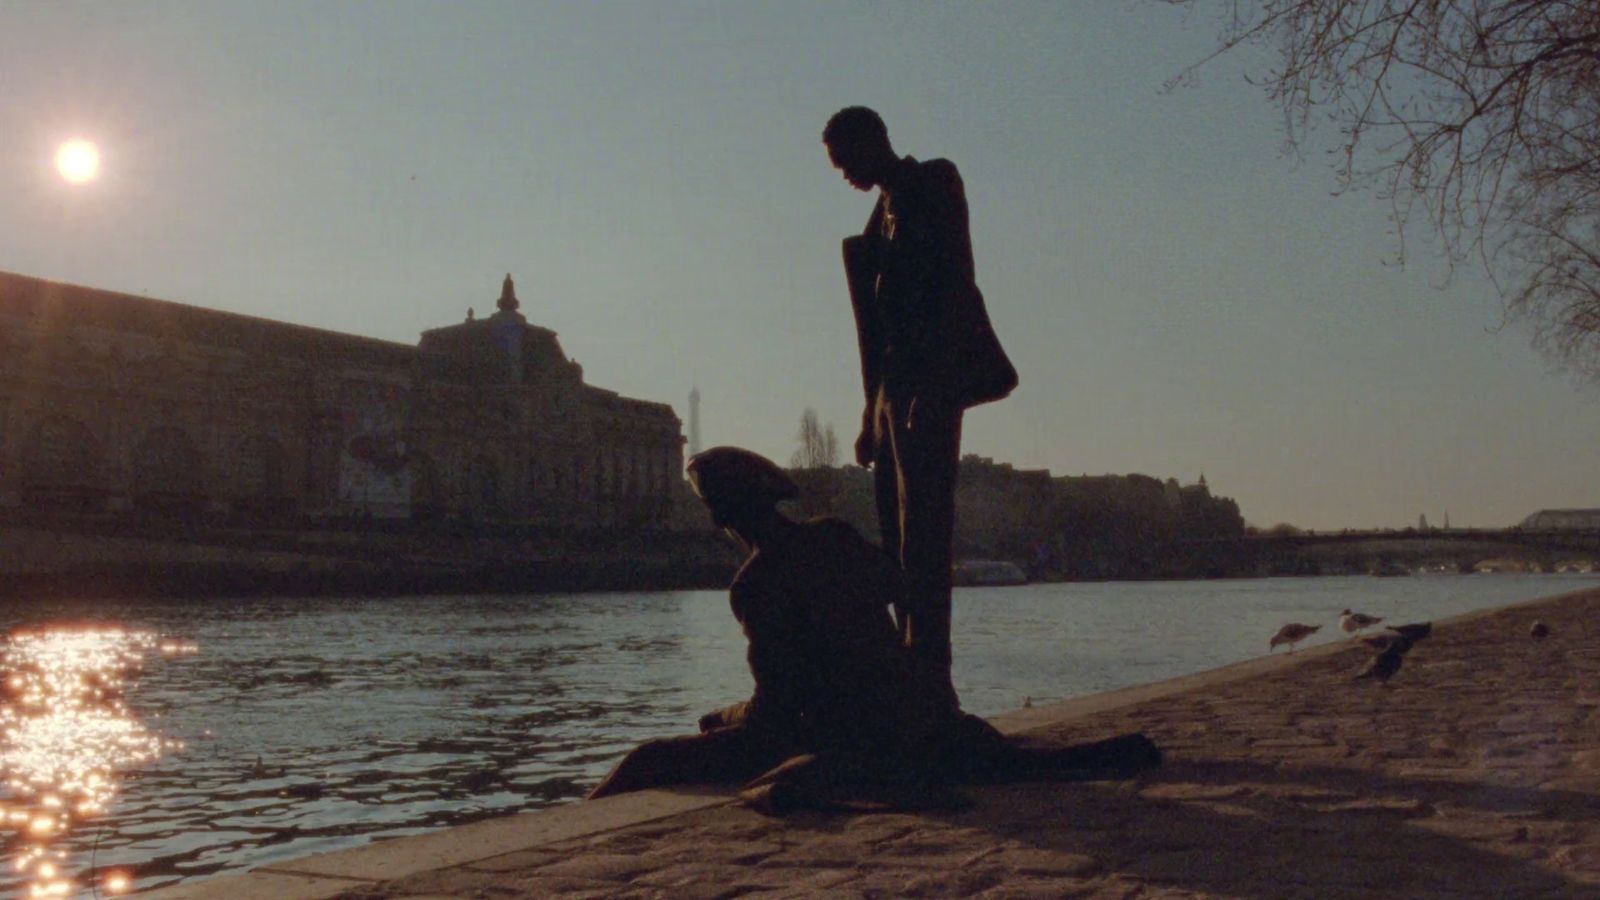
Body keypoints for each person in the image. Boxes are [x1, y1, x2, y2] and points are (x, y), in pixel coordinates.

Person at [587, 446, 941, 800]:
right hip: (900, 713)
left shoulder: (754, 584)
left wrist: (725, 717)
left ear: (719, 517)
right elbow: (897, 586)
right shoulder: (835, 534)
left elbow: (774, 710)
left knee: (646, 760)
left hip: (835, 733)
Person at [824, 106, 1016, 709]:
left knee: (926, 535)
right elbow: (875, 332)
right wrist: (867, 415)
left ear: (877, 139)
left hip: (926, 382)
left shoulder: (933, 182)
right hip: (891, 394)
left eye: (849, 159)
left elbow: (955, 281)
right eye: (838, 167)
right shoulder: (875, 221)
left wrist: (937, 383)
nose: (846, 174)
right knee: (898, 540)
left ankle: (932, 679)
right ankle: (912, 676)